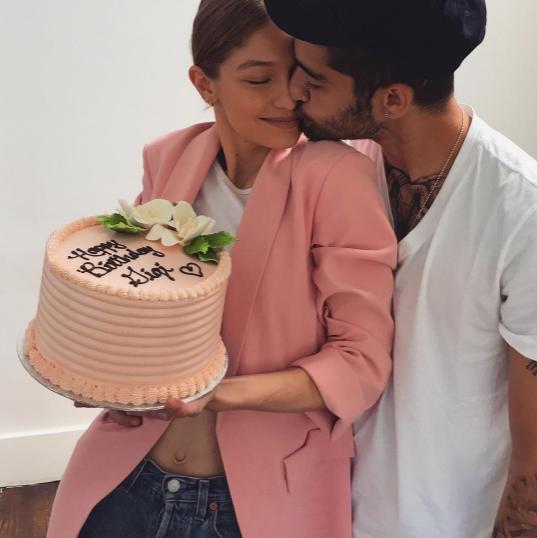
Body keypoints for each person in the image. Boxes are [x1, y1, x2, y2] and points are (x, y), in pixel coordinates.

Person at [46, 1, 397, 537]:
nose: (288, 98)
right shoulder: (170, 157)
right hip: (128, 478)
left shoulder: (336, 176)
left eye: (297, 76)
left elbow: (361, 362)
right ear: (204, 83)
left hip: (250, 499)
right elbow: (142, 300)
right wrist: (104, 372)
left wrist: (216, 394)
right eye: (259, 79)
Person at [264, 0, 537, 537]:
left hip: (441, 522)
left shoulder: (519, 211)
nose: (294, 89)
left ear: (392, 99)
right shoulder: (337, 169)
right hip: (321, 506)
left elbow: (533, 462)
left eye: (314, 80)